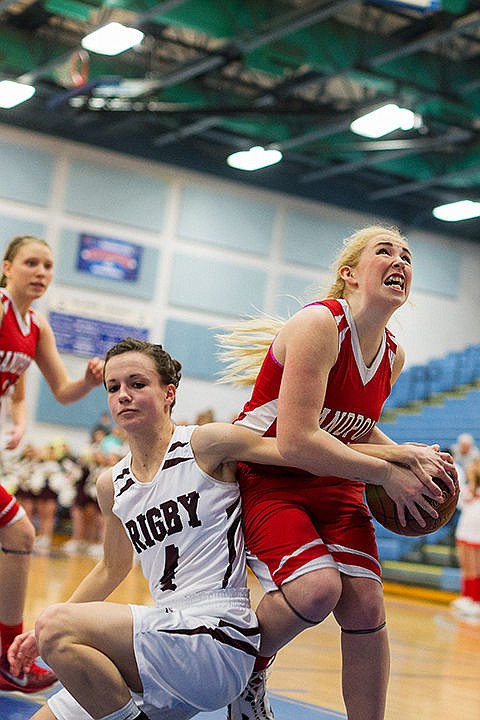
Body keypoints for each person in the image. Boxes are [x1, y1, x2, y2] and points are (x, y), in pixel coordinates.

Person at [216, 225, 457, 720]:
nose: (399, 261)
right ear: (349, 275)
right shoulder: (318, 325)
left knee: (366, 606)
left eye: (407, 256)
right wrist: (387, 473)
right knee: (317, 589)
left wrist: (411, 456)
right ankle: (248, 672)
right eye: (384, 252)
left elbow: (358, 429)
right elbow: (297, 440)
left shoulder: (392, 354)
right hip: (271, 476)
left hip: (335, 480)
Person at [8, 337, 297, 720]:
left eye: (137, 384)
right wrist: (39, 639)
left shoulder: (206, 444)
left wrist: (386, 463)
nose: (123, 395)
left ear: (168, 394)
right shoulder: (112, 484)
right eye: (113, 388)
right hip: (163, 639)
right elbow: (112, 567)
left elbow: (298, 449)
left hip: (218, 635)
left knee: (55, 623)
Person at [0, 234, 103, 693]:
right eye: (31, 263)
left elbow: (61, 392)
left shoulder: (36, 327)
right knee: (19, 531)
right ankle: (6, 658)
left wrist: (87, 380)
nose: (41, 272)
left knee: (18, 533)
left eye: (48, 266)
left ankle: (5, 657)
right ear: (7, 268)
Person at [451, 455, 480, 617]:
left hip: (477, 533)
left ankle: (477, 600)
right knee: (466, 567)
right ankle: (467, 597)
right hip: (464, 530)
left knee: (476, 568)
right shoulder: (468, 489)